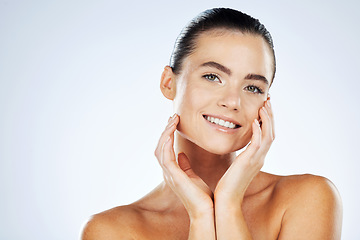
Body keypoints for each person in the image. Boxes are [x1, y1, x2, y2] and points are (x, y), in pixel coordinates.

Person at [81, 8, 342, 239]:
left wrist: (228, 204)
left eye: (252, 87)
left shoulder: (307, 199)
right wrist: (201, 215)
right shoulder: (111, 231)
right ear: (168, 83)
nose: (232, 101)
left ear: (266, 104)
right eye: (212, 76)